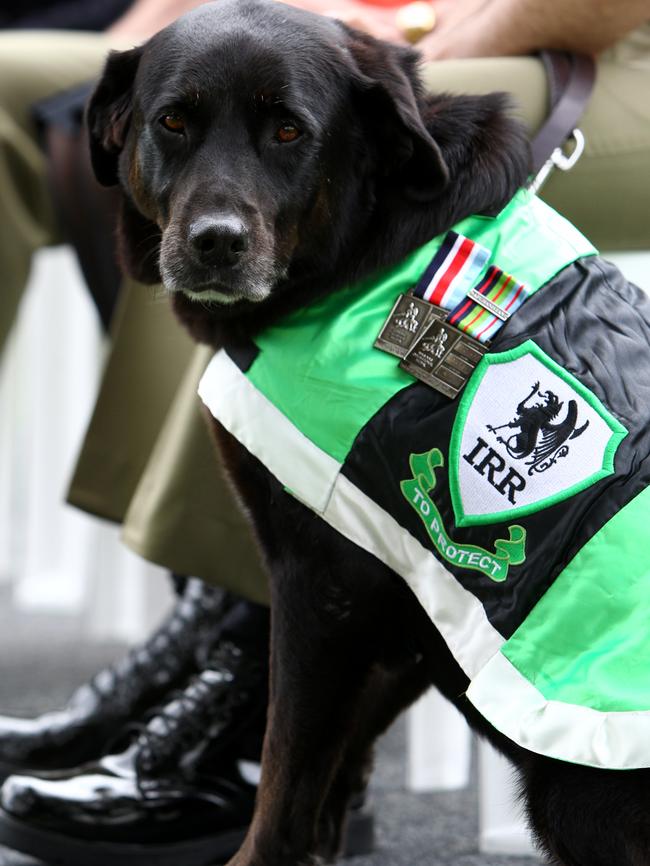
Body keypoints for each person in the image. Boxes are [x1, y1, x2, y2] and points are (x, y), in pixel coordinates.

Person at [0, 0, 647, 862]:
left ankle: (237, 729)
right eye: (178, 129)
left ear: (381, 144)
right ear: (120, 133)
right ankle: (223, 670)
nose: (220, 216)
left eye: (283, 136)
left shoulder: (370, 323)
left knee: (319, 544)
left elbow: (335, 600)